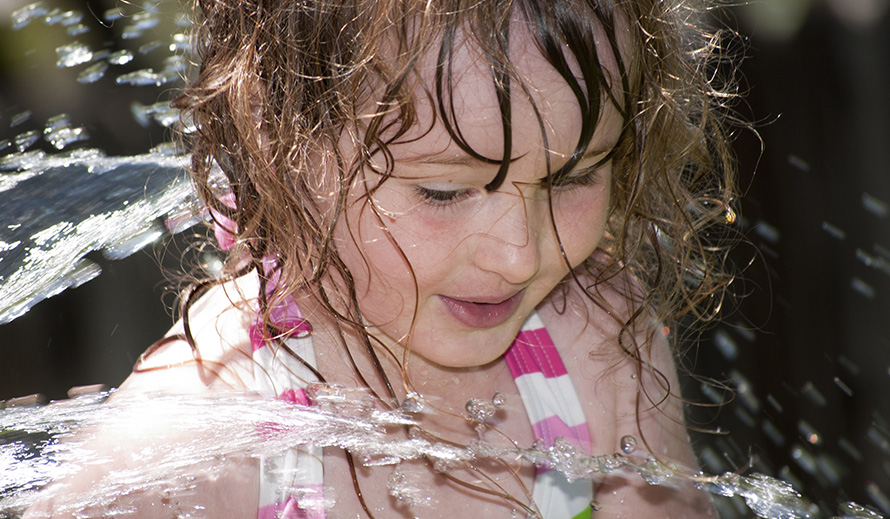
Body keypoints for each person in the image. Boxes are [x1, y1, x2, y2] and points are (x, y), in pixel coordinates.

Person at [24, 0, 737, 517]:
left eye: (573, 177)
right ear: (283, 144)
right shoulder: (186, 451)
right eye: (445, 189)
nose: (521, 255)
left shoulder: (595, 341)